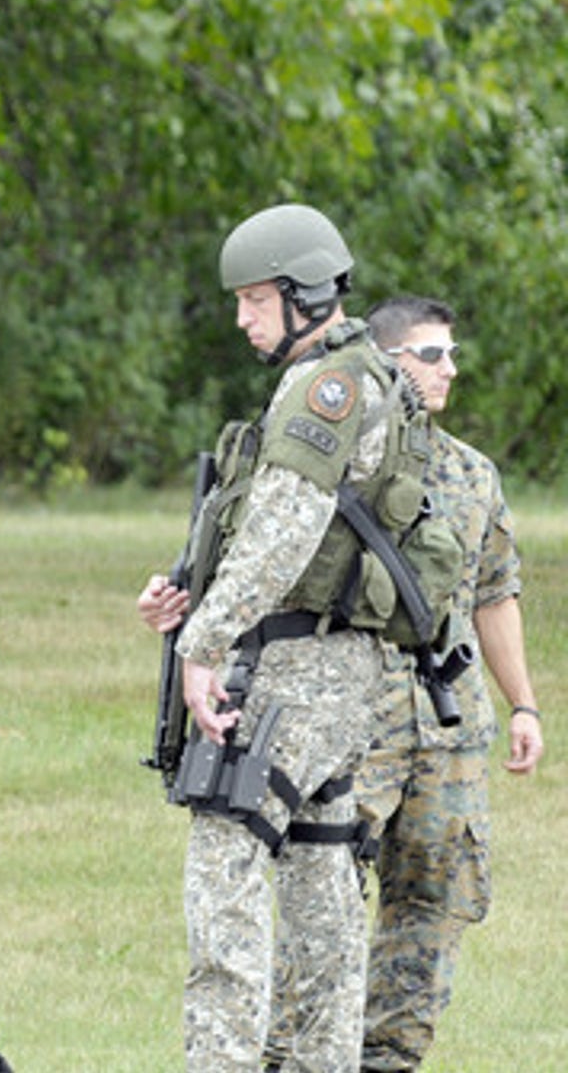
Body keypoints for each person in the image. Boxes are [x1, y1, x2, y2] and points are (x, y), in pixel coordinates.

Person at [135, 204, 454, 1072]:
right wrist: (193, 597)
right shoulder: (366, 379)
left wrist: (202, 648)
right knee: (324, 900)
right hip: (342, 681)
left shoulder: (327, 387)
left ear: (306, 295)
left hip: (292, 678)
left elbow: (283, 530)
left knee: (225, 894)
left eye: (255, 300)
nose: (242, 320)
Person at [262, 295, 546, 1072]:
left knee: (436, 899)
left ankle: (388, 1058)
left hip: (450, 728)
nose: (449, 368)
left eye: (453, 354)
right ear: (387, 362)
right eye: (431, 355)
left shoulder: (473, 474)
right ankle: (290, 1054)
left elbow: (494, 591)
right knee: (321, 889)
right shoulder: (334, 457)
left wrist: (522, 702)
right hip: (358, 718)